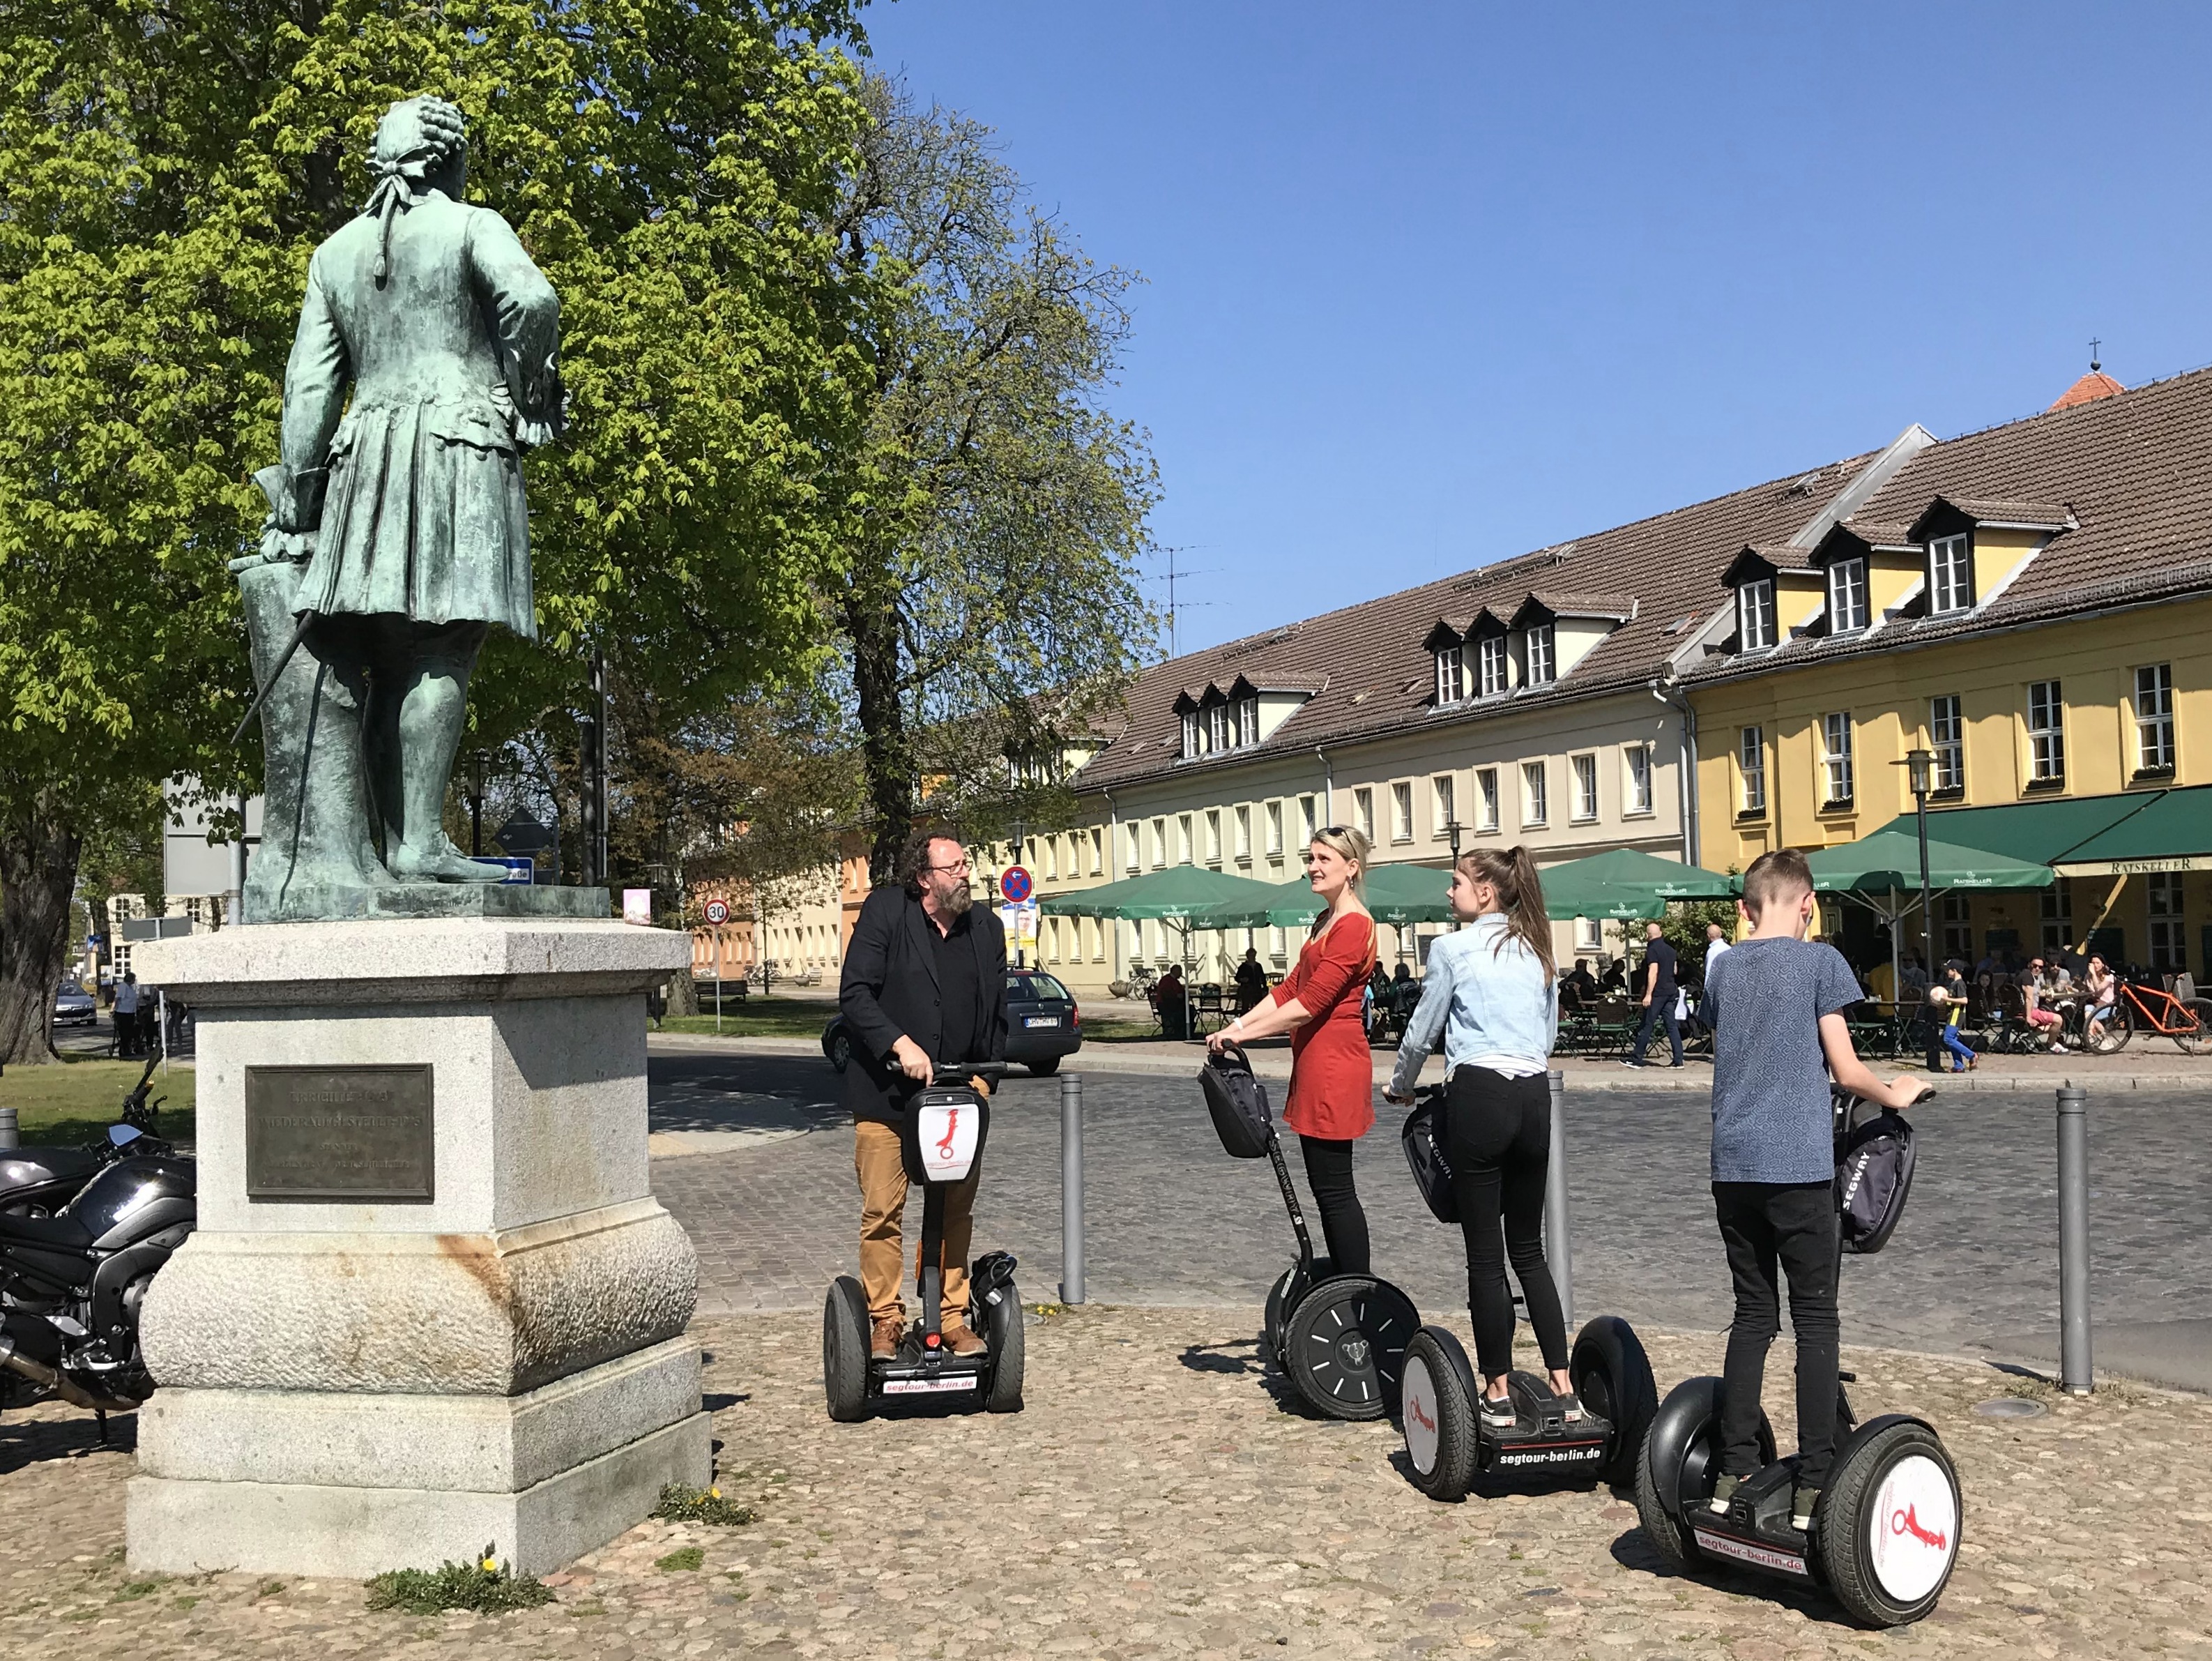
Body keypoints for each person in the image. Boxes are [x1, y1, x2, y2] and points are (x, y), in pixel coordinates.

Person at [1701, 847, 1927, 1531]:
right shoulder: (1819, 962)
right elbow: (1845, 1066)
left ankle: (1729, 1471)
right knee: (1815, 1320)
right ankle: (1814, 1482)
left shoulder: (1723, 968)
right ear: (1806, 905)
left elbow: (1739, 1047)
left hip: (1731, 1168)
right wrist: (1897, 1090)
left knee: (1751, 1317)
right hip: (1797, 1166)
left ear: (1744, 909)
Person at [1385, 848, 1576, 1424]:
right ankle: (1563, 1386)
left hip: (1480, 1094)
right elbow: (1545, 1039)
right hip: (1531, 1097)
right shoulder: (1538, 951)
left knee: (1485, 1255)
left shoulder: (1451, 949)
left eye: (1456, 883)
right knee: (1528, 1250)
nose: (1449, 894)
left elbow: (1424, 1028)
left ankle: (1495, 1391)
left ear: (1485, 892)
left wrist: (1400, 1083)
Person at [837, 825, 1009, 1360]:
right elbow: (856, 994)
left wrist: (984, 1081)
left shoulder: (985, 927)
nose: (965, 875)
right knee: (883, 1212)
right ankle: (885, 1320)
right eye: (953, 867)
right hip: (886, 1097)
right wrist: (898, 1042)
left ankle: (951, 1316)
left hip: (958, 1098)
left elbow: (999, 1013)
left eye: (965, 865)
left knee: (954, 1210)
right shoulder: (887, 912)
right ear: (923, 878)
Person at [1208, 826, 1379, 1277]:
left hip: (1334, 1063)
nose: (1313, 867)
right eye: (1310, 858)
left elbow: (1311, 1005)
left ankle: (1354, 1288)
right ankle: (1343, 1280)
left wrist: (1242, 1038)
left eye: (1324, 859)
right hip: (1314, 1061)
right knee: (1324, 1188)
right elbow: (1289, 989)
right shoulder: (1325, 921)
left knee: (1335, 1188)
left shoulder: (1354, 925)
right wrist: (1238, 1024)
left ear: (1351, 867)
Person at [1624, 922, 1682, 1068]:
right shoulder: (1671, 950)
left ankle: (1636, 1059)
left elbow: (1653, 972)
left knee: (1647, 1025)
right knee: (1672, 1026)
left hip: (1658, 992)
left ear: (1647, 935)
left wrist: (1648, 994)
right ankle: (1678, 1060)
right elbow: (1675, 970)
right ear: (1661, 933)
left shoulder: (1652, 950)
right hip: (1670, 991)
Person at [1928, 963, 1976, 1072]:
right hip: (1951, 1014)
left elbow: (1964, 1000)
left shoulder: (1960, 984)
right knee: (1953, 1039)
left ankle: (1971, 1055)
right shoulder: (1953, 984)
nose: (1946, 972)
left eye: (1948, 970)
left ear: (1954, 970)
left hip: (1956, 1014)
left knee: (1948, 1038)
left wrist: (1947, 999)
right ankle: (1959, 1065)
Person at [2019, 957, 2064, 1049]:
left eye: (2040, 967)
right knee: (2058, 1019)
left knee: (2052, 1024)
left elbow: (2036, 992)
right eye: (2035, 966)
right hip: (2029, 1012)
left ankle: (2029, 1038)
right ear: (2029, 965)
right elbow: (2029, 997)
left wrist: (2046, 995)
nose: (2037, 969)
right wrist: (2029, 1017)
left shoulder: (2032, 977)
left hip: (2026, 1011)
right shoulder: (2028, 976)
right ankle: (2052, 1046)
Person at [2084, 953, 2118, 1045]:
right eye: (2093, 963)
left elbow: (2098, 990)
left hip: (2107, 1006)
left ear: (2103, 964)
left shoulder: (2109, 977)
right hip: (2095, 1005)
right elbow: (2087, 991)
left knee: (2090, 1017)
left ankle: (2105, 1039)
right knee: (2087, 1010)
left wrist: (2094, 974)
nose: (2095, 965)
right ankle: (2092, 1034)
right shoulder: (2088, 977)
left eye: (2098, 963)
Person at [1156, 963, 1189, 1040]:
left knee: (1190, 1010)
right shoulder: (1166, 980)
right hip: (1166, 1005)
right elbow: (1166, 994)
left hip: (1173, 1004)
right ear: (1175, 971)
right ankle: (1178, 1031)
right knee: (1185, 1011)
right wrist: (1177, 996)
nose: (1181, 974)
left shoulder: (1175, 981)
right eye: (1180, 971)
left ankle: (1183, 1031)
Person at [113, 971, 141, 1059]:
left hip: (130, 1013)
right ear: (130, 979)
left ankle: (128, 1049)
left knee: (131, 1032)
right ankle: (124, 1051)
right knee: (125, 1033)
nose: (135, 981)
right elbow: (117, 998)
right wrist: (112, 1010)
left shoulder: (131, 988)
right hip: (123, 1013)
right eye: (134, 979)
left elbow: (134, 1000)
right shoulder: (123, 986)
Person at [1234, 948, 1269, 1014]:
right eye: (1251, 955)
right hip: (1247, 989)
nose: (1252, 957)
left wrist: (1264, 986)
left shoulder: (1258, 966)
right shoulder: (1243, 967)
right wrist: (1242, 980)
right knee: (1246, 1005)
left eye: (1254, 955)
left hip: (1257, 989)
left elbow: (1262, 977)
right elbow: (1237, 978)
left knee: (1259, 1005)